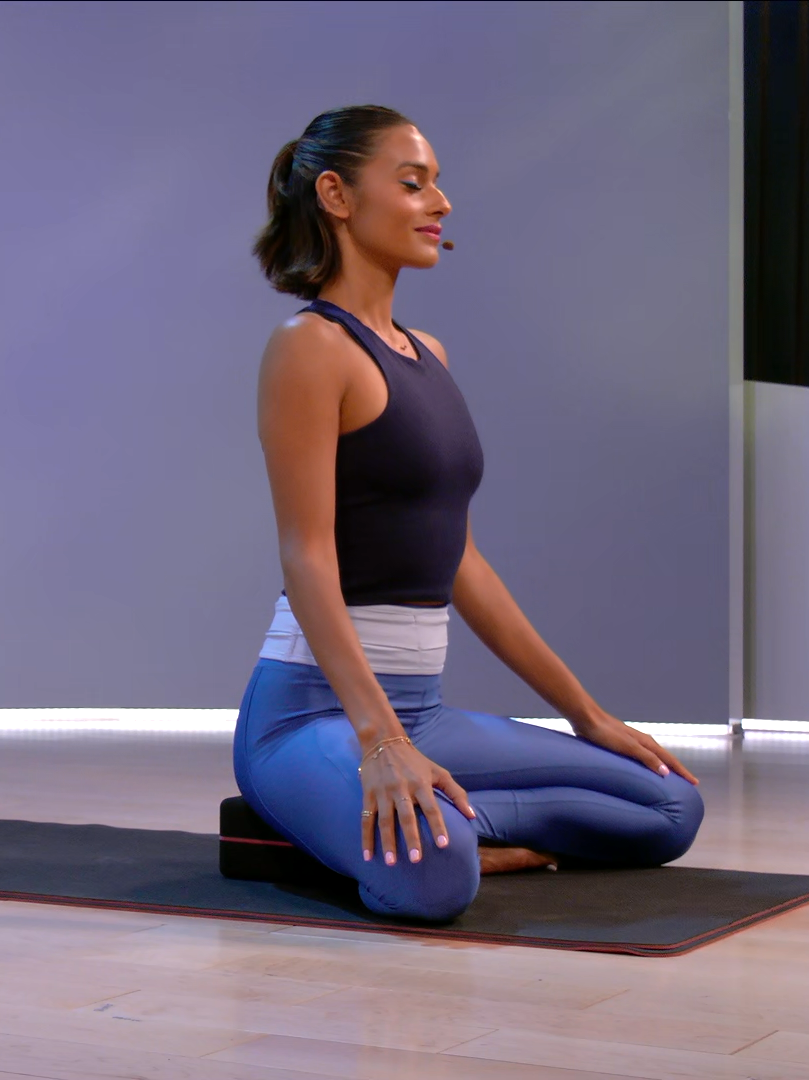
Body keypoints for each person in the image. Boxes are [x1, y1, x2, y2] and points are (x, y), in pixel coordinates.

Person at [235, 105, 704, 923]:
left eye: (438, 184)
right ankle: (427, 834)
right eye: (413, 184)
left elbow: (463, 563)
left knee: (669, 807)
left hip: (426, 714)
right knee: (438, 881)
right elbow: (307, 555)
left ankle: (458, 826)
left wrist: (588, 717)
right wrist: (381, 744)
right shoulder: (309, 347)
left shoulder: (431, 356)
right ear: (338, 196)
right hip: (312, 713)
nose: (441, 202)